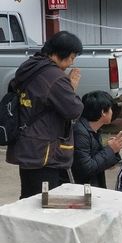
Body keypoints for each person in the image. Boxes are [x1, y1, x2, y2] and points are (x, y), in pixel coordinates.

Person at [6, 31, 84, 199]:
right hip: (44, 151)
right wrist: (71, 86)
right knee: (41, 202)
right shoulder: (54, 77)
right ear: (61, 54)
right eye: (72, 57)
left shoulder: (30, 66)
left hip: (26, 143)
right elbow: (74, 110)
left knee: (28, 197)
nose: (72, 63)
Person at [71, 91, 122, 188]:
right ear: (103, 112)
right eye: (110, 109)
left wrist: (112, 151)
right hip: (83, 190)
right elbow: (86, 169)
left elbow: (97, 161)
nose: (112, 112)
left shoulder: (93, 130)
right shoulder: (80, 133)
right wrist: (110, 150)